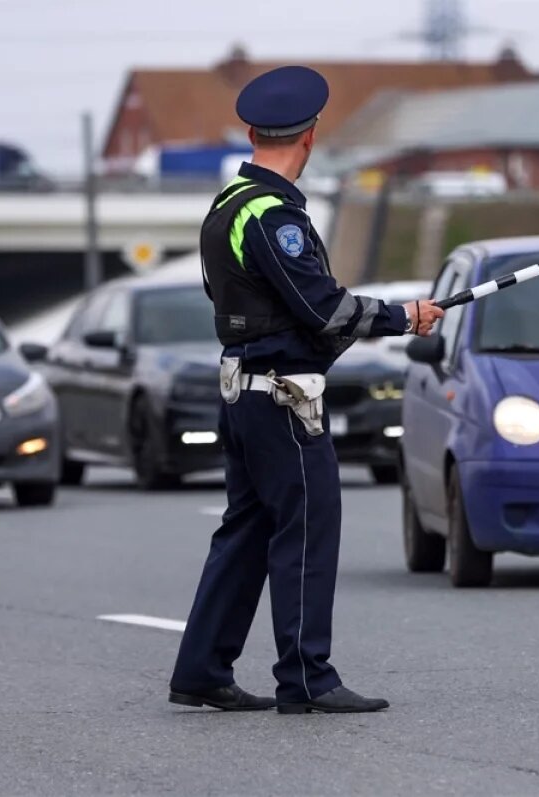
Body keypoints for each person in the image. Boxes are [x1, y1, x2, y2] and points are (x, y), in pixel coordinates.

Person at [169, 65, 445, 715]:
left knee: (245, 530)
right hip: (284, 398)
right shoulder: (273, 217)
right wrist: (403, 316)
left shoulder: (228, 206)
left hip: (242, 388)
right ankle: (307, 677)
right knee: (307, 530)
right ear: (310, 137)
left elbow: (247, 303)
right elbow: (320, 308)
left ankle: (203, 669)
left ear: (251, 131)